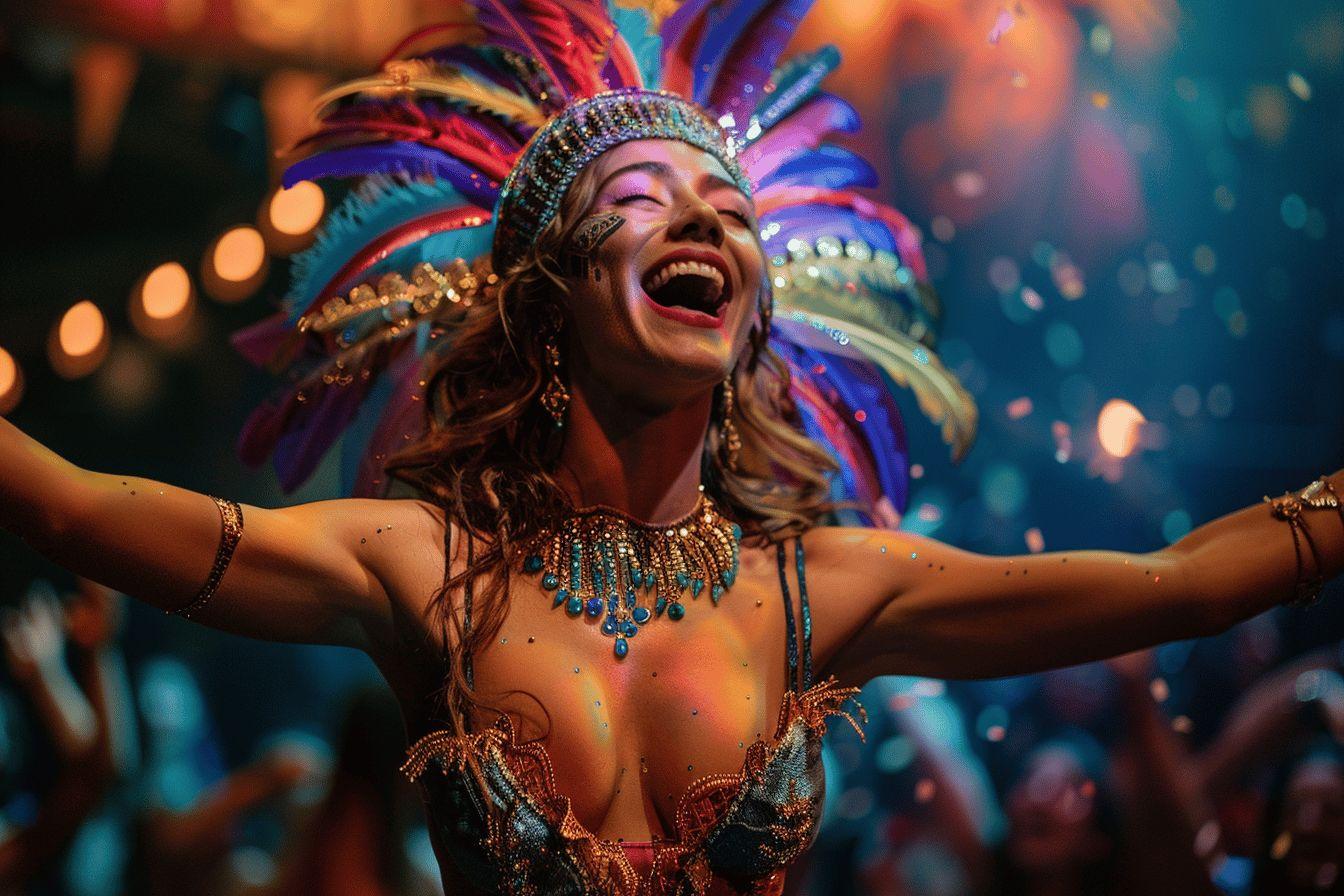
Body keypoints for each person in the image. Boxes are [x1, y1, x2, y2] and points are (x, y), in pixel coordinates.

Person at [1, 1, 1342, 893]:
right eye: (644, 201)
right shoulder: (428, 571)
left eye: (732, 214)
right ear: (547, 297)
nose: (704, 227)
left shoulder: (819, 588)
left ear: (758, 309)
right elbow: (68, 513)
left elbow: (1192, 581)